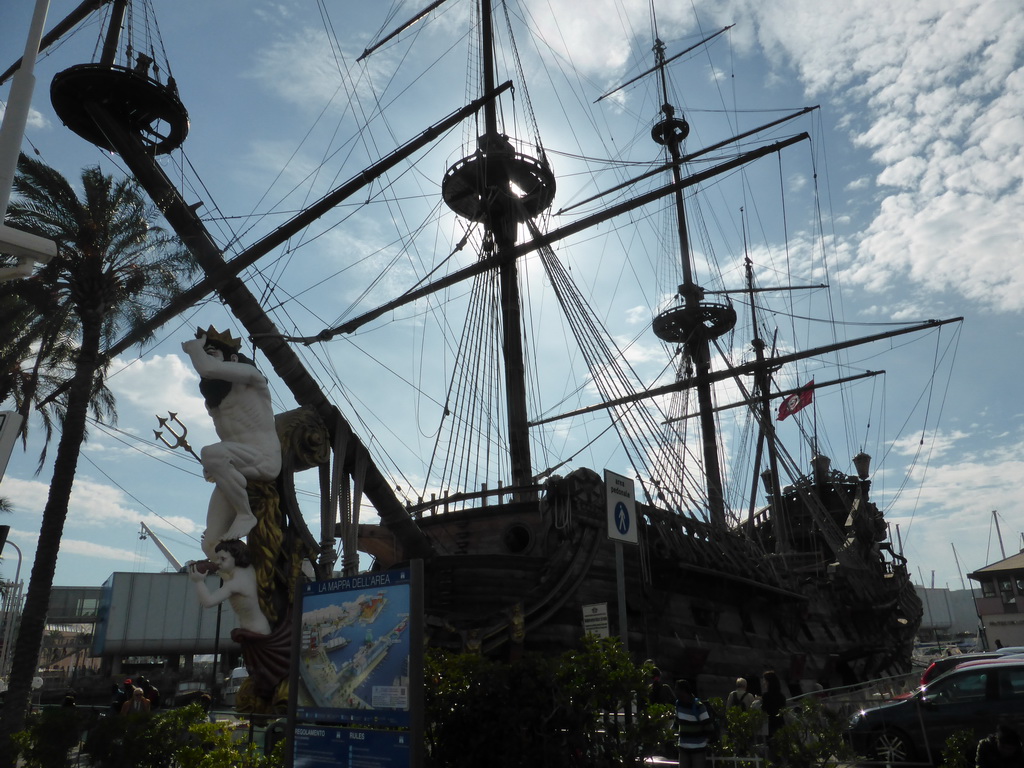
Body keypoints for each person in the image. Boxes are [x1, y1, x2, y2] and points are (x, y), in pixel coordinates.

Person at [182, 327, 281, 559]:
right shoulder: (214, 402)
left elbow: (207, 367)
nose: (205, 358)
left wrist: (195, 349)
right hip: (235, 464)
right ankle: (241, 585)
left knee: (211, 452)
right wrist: (216, 466)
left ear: (233, 359)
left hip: (264, 458)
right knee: (211, 545)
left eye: (212, 353)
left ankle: (245, 514)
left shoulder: (252, 378)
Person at [188, 538, 271, 635]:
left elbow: (208, 602)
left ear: (237, 557)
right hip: (258, 628)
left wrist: (199, 581)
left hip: (255, 633)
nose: (218, 562)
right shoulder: (249, 569)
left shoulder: (234, 583)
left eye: (223, 559)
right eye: (217, 558)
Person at [676, 678, 714, 768]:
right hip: (683, 748)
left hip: (698, 749)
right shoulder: (678, 705)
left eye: (677, 689)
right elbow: (677, 722)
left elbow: (709, 727)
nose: (675, 692)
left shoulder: (699, 706)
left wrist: (703, 741)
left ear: (683, 691)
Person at [761, 670, 787, 739]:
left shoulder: (766, 696)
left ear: (768, 682)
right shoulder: (782, 696)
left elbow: (764, 709)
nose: (764, 683)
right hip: (781, 724)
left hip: (771, 725)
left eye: (765, 681)